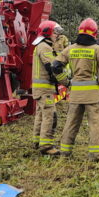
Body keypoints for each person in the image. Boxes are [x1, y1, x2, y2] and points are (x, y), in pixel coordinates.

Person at [52, 18, 99, 160]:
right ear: (95, 33)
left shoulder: (71, 49)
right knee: (95, 125)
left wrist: (65, 82)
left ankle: (65, 152)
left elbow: (55, 66)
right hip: (93, 96)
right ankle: (96, 155)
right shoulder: (97, 50)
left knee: (71, 123)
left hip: (75, 95)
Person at [30, 20, 61, 156]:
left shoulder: (40, 46)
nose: (57, 35)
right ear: (47, 32)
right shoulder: (45, 47)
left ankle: (37, 141)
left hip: (40, 89)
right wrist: (65, 80)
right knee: (50, 116)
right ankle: (46, 146)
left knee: (41, 116)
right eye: (55, 32)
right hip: (45, 90)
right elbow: (52, 67)